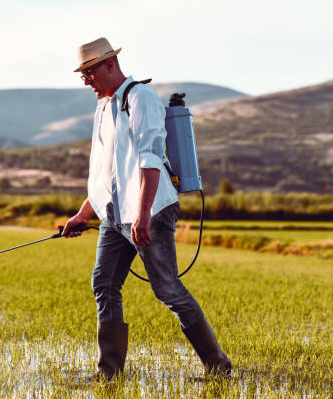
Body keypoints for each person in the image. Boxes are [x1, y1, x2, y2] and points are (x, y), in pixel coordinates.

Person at [62, 37, 232, 381]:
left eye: (89, 72)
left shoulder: (140, 98)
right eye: (82, 74)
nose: (86, 80)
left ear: (110, 65)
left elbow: (150, 157)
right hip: (115, 214)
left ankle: (219, 367)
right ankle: (109, 372)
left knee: (167, 288)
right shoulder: (104, 107)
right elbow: (109, 171)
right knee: (104, 283)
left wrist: (142, 214)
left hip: (148, 212)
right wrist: (84, 213)